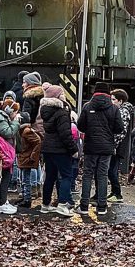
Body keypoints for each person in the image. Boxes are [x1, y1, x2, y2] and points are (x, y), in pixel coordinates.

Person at [76, 82, 123, 216]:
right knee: (102, 175)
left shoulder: (87, 106)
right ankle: (102, 207)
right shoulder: (113, 108)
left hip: (90, 146)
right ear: (108, 93)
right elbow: (119, 128)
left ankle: (84, 206)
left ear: (95, 92)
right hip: (107, 147)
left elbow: (80, 126)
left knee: (87, 175)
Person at [39, 85, 77, 217]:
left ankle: (45, 205)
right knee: (67, 176)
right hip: (60, 149)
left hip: (48, 148)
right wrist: (73, 149)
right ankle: (62, 204)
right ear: (58, 96)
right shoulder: (62, 112)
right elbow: (65, 134)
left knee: (50, 176)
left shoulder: (45, 111)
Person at [0, 99, 20, 214]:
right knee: (6, 178)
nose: (16, 114)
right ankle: (2, 204)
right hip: (3, 154)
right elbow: (8, 132)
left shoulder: (1, 117)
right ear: (9, 110)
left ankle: (4, 201)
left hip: (5, 153)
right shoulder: (0, 119)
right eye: (15, 111)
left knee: (7, 177)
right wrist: (16, 123)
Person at [108, 89, 134, 204]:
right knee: (111, 170)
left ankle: (117, 193)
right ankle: (115, 192)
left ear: (120, 100)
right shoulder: (123, 110)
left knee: (112, 170)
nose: (111, 102)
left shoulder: (123, 112)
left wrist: (113, 144)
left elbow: (120, 131)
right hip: (117, 146)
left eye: (113, 99)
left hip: (117, 146)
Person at [15, 121, 42, 210]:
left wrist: (33, 155)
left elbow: (38, 141)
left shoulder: (26, 131)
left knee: (25, 179)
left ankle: (27, 199)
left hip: (26, 158)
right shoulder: (25, 130)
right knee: (24, 178)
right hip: (25, 157)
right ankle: (25, 197)